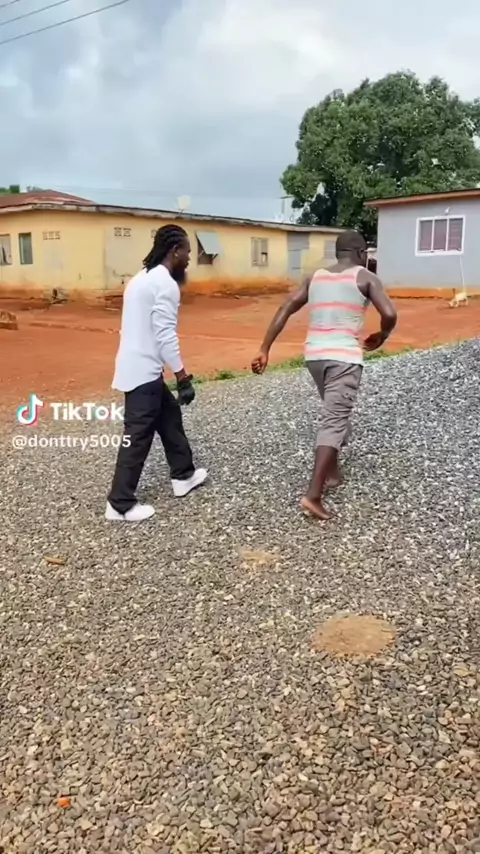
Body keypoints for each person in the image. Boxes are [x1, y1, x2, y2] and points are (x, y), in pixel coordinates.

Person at [251, 230, 397, 521]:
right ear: (361, 253)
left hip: (315, 357)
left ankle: (333, 473)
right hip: (344, 359)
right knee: (334, 421)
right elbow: (390, 314)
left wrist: (264, 348)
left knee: (336, 415)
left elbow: (286, 307)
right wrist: (382, 335)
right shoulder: (366, 278)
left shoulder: (315, 277)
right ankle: (313, 495)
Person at [106, 224, 207, 522]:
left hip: (138, 365)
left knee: (169, 415)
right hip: (143, 372)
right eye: (187, 252)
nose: (189, 258)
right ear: (175, 251)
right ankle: (120, 503)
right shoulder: (165, 284)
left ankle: (183, 475)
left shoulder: (141, 278)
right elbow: (165, 335)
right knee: (137, 436)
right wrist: (182, 376)